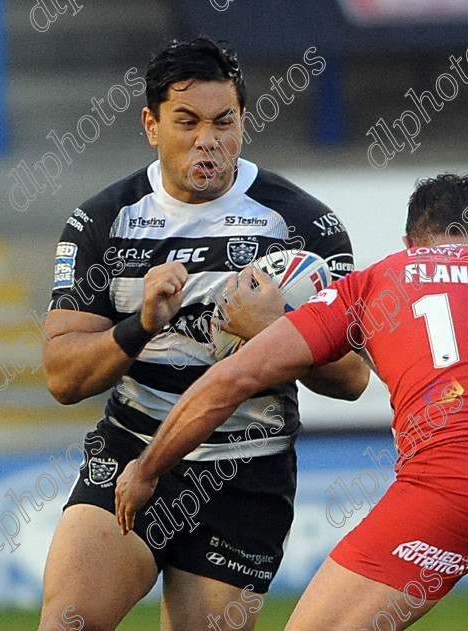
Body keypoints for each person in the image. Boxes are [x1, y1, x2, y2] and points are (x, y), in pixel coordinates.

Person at [116, 174, 468, 631]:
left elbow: (233, 380)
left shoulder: (379, 282)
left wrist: (147, 467)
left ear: (409, 244)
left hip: (448, 495)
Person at [38, 37, 369, 631]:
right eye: (187, 122)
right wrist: (138, 326)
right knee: (68, 622)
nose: (207, 139)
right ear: (151, 124)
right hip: (130, 450)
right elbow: (63, 378)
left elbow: (352, 379)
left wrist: (278, 331)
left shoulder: (303, 224)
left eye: (225, 122)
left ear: (243, 121)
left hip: (244, 472)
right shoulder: (102, 221)